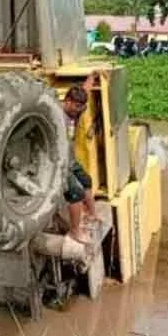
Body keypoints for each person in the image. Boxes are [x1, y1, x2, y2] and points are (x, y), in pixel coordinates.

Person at [61, 75, 100, 243]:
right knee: (75, 192)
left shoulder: (78, 108)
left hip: (69, 156)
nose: (79, 110)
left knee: (86, 180)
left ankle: (91, 215)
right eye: (76, 106)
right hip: (58, 162)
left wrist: (93, 77)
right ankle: (75, 231)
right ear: (67, 101)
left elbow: (85, 90)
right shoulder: (56, 115)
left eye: (81, 106)